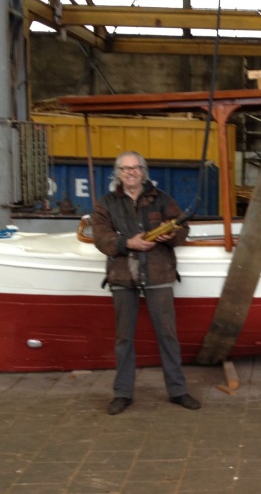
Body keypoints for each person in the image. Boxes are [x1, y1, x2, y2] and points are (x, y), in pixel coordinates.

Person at [91, 151, 201, 415]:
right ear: (117, 173)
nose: (131, 172)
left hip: (158, 272)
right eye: (125, 168)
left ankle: (177, 391)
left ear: (144, 171)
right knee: (124, 338)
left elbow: (183, 230)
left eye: (136, 168)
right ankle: (122, 393)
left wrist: (171, 233)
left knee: (167, 335)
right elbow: (101, 238)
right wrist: (128, 242)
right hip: (122, 274)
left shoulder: (162, 200)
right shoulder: (105, 204)